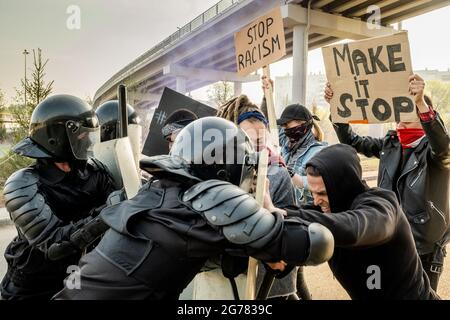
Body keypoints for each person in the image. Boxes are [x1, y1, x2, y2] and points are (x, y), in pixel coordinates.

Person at [53, 117, 334, 300]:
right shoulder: (208, 201)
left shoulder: (158, 191)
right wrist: (270, 214)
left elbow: (191, 244)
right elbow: (317, 243)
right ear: (227, 169)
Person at [264, 144, 439, 300]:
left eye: (323, 193)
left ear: (343, 185)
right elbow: (282, 263)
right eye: (313, 193)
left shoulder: (382, 205)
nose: (316, 201)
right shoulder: (327, 209)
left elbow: (353, 229)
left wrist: (280, 214)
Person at [324, 74, 449, 290]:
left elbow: (443, 147)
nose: (402, 113)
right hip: (388, 238)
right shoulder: (390, 143)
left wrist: (420, 102)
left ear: (423, 115)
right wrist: (337, 108)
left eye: (410, 108)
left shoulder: (435, 150)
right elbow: (352, 141)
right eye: (401, 107)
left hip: (423, 245)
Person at [1, 95, 117, 300]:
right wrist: (110, 211)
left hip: (77, 276)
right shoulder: (22, 184)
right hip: (31, 287)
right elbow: (54, 244)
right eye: (82, 135)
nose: (89, 140)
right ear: (57, 138)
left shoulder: (95, 172)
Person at [216, 95, 298, 300]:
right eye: (247, 140)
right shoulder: (215, 174)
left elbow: (288, 232)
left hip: (269, 286)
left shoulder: (278, 175)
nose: (254, 148)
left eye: (260, 141)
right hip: (224, 282)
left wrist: (266, 207)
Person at [261, 77, 326, 206]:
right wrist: (267, 96)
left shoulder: (319, 152)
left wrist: (288, 173)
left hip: (304, 214)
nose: (285, 130)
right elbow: (267, 124)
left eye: (287, 125)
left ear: (303, 125)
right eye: (283, 126)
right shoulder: (286, 142)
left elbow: (318, 184)